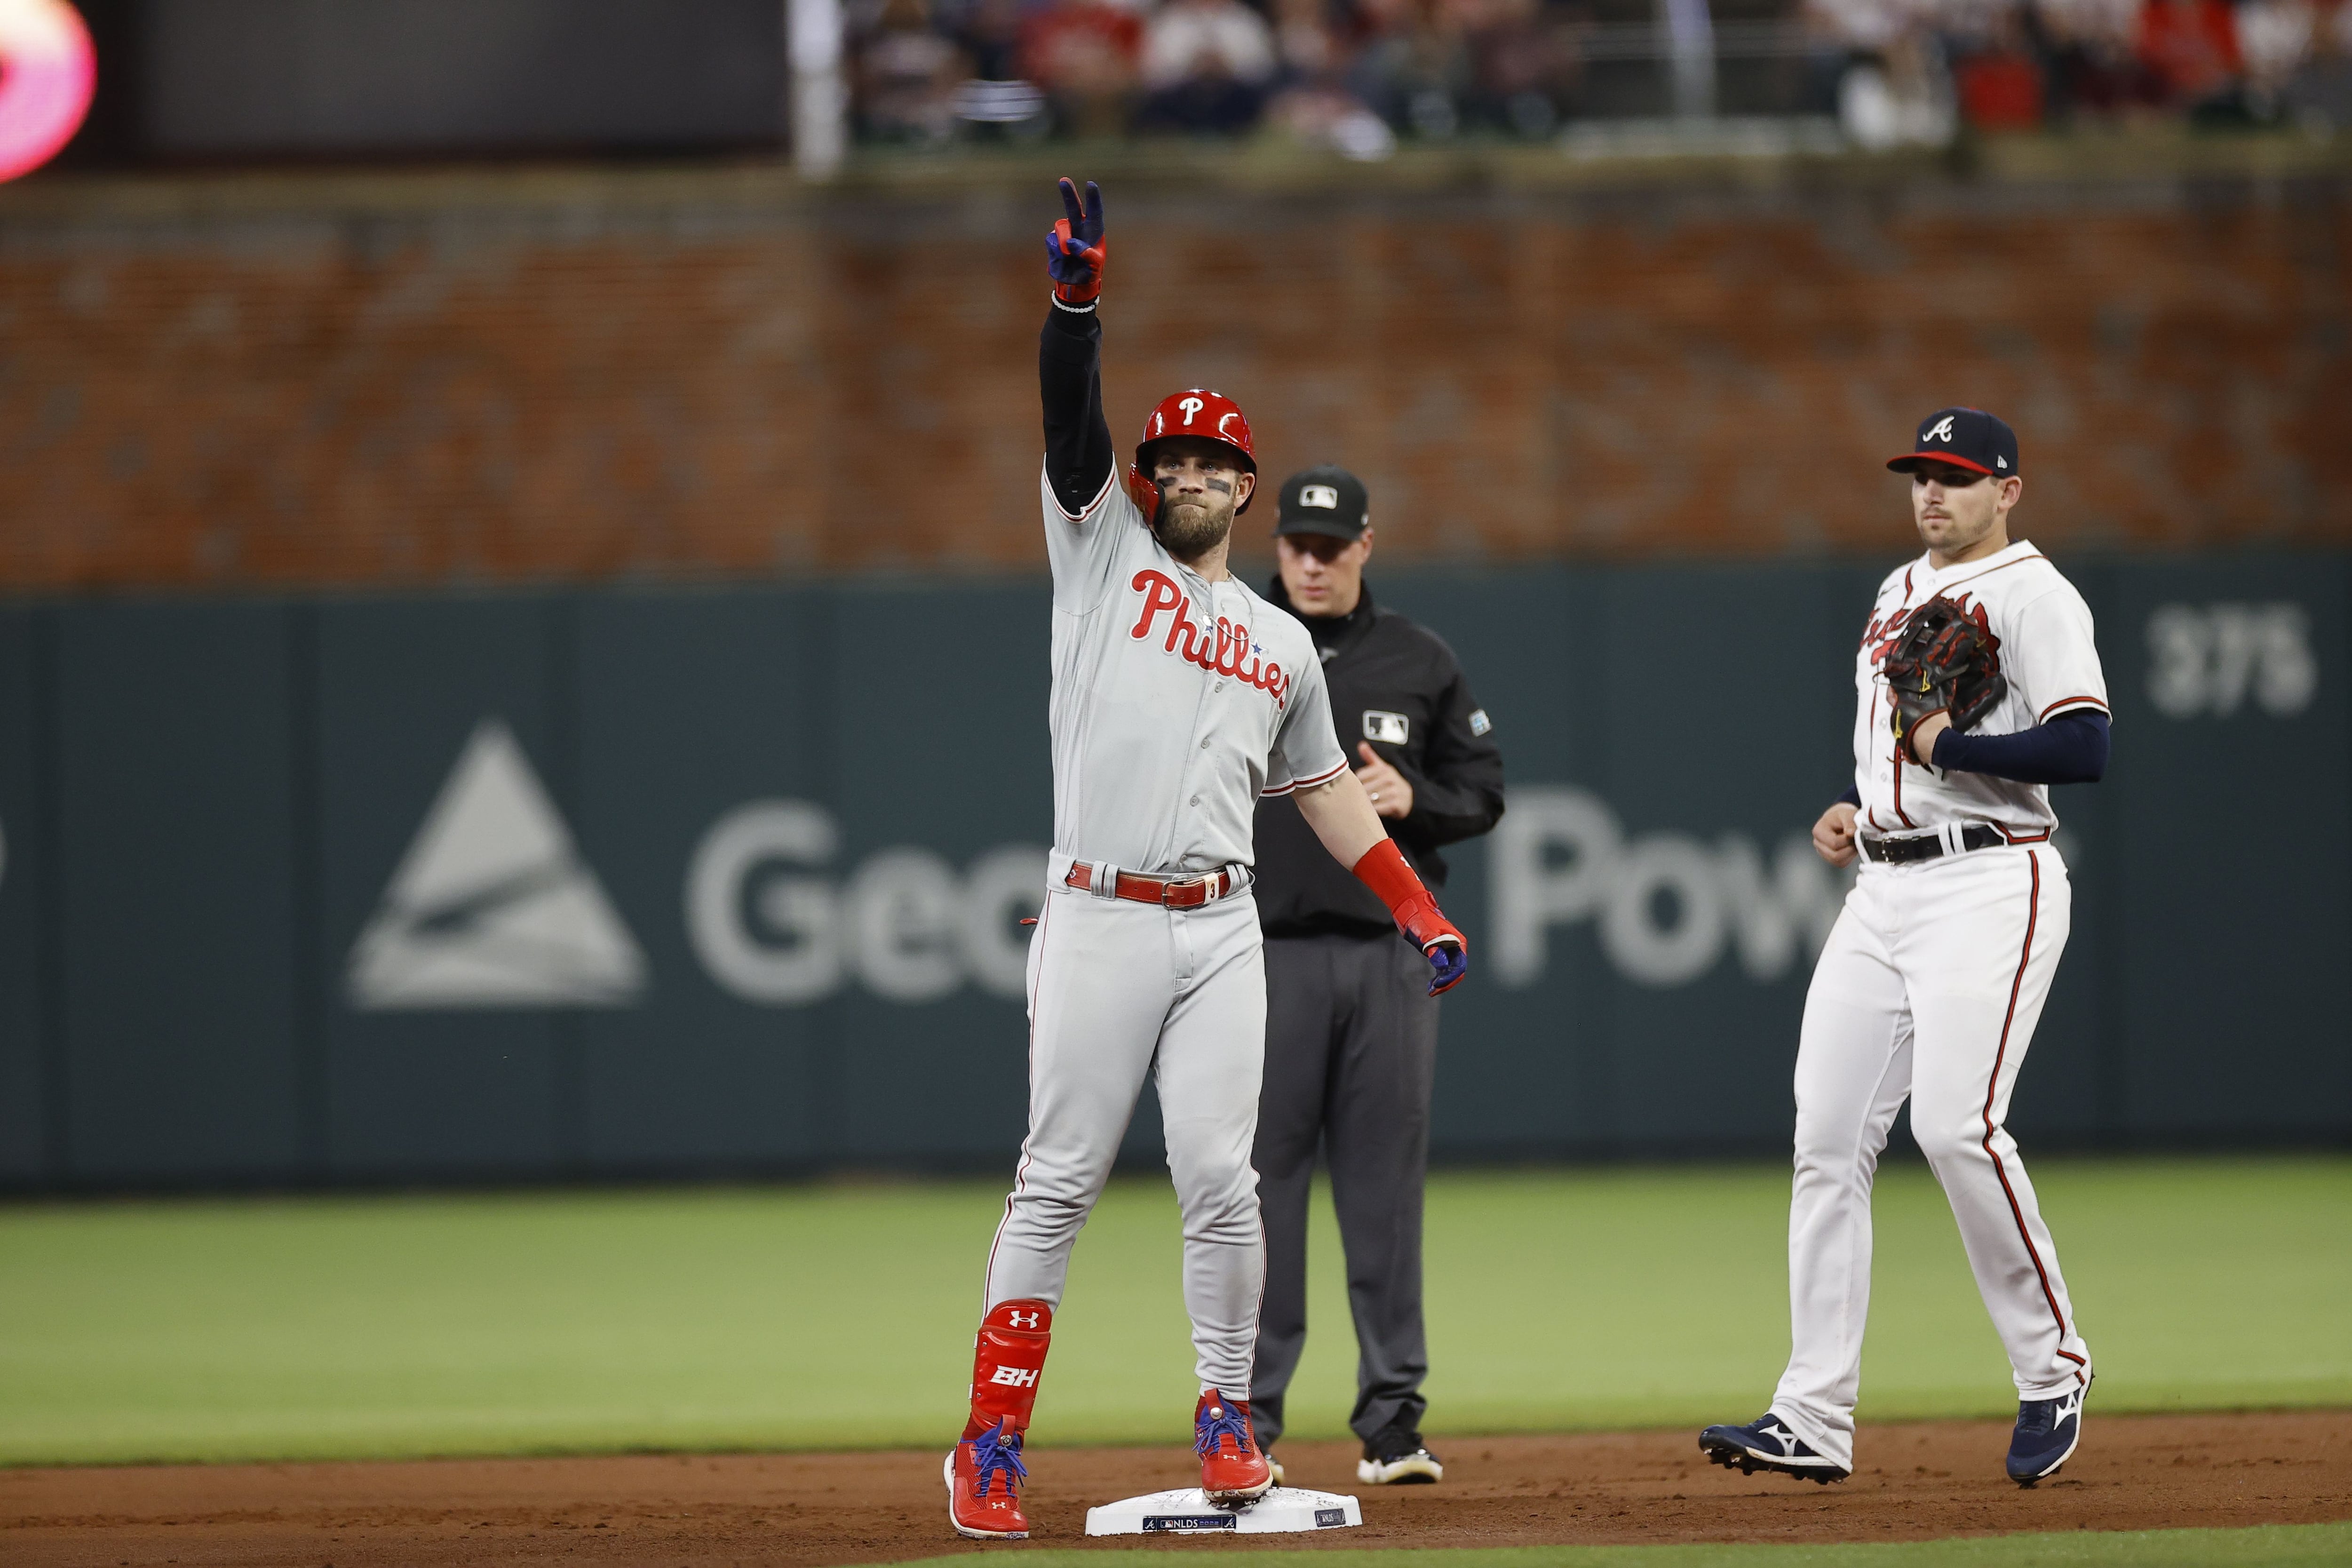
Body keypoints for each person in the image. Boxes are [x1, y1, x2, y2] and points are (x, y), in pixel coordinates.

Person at [945, 179, 1474, 1541]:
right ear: (1146, 480)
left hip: (1223, 925)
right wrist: (1074, 308)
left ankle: (1230, 1418)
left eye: (1210, 462)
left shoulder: (1282, 641)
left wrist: (1415, 905)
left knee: (1223, 1181)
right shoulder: (1097, 549)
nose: (1186, 474)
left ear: (1245, 486)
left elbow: (1329, 795)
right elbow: (1069, 417)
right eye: (1169, 458)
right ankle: (990, 1441)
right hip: (1100, 913)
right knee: (1059, 1176)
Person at [1700, 407, 2110, 1489]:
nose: (1932, 491)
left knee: (1956, 1127)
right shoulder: (1895, 589)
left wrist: (1951, 745)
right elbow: (1896, 748)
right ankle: (1812, 1413)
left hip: (1991, 877)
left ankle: (2052, 1365)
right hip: (1882, 884)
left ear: (2006, 491)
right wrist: (1859, 804)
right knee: (1826, 1138)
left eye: (1957, 476)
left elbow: (2085, 743)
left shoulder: (2034, 594)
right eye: (1921, 473)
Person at [1246, 466, 1504, 1488]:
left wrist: (1416, 797)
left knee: (1383, 1193)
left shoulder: (1417, 657)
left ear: (1363, 545)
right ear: (1276, 545)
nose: (1312, 563)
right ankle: (1247, 1420)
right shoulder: (1231, 640)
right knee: (1256, 1196)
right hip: (1260, 953)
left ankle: (1392, 1421)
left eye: (1330, 545)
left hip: (1386, 954)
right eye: (1297, 545)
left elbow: (1483, 792)